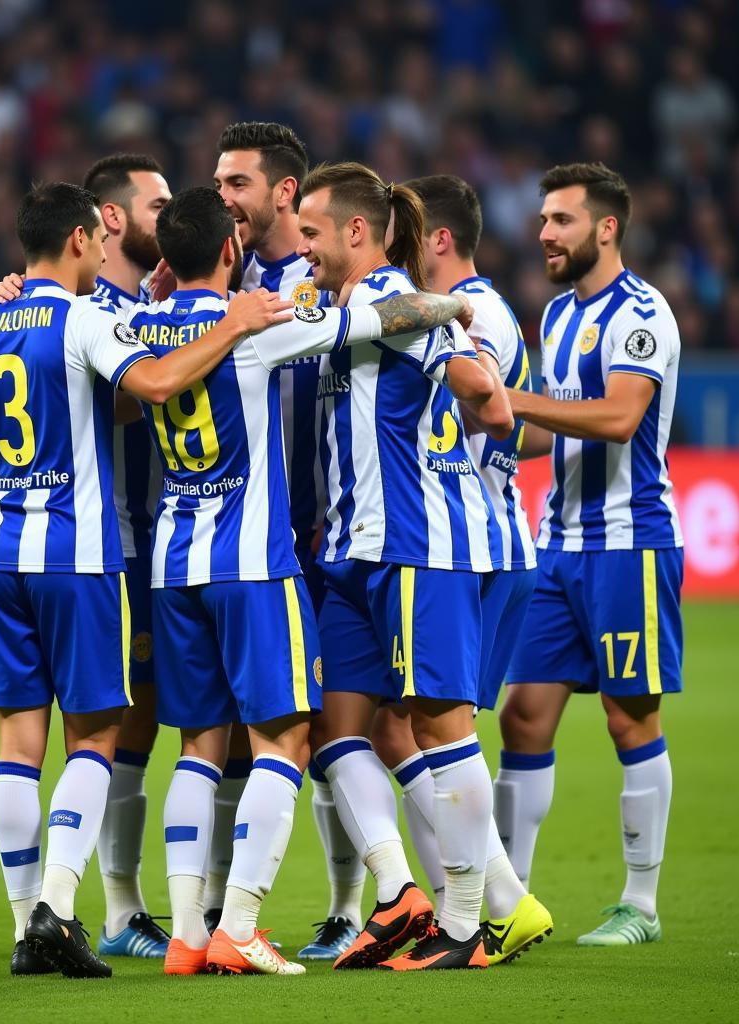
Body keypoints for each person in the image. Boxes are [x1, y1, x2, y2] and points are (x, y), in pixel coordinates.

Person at [0, 181, 293, 978]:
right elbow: (161, 386)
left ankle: (22, 926)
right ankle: (58, 912)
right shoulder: (85, 319)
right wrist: (233, 321)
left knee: (15, 746)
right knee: (94, 737)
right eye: (95, 242)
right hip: (77, 555)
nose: (105, 252)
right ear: (73, 238)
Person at [131, 186, 474, 978]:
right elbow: (382, 318)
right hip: (253, 565)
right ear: (229, 253)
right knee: (284, 743)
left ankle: (186, 934)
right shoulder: (257, 324)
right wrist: (449, 308)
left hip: (172, 566)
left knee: (196, 751)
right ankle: (241, 926)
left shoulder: (137, 329)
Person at [298, 162, 513, 971]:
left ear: (357, 230)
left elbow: (487, 401)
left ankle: (465, 926)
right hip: (352, 552)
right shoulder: (346, 306)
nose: (305, 249)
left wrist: (456, 322)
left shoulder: (396, 304)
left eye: (314, 234)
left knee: (438, 726)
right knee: (333, 727)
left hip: (416, 546)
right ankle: (401, 898)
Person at [370, 173, 553, 966]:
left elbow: (497, 414)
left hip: (462, 541)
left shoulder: (460, 319)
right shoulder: (498, 316)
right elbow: (529, 430)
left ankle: (482, 909)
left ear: (437, 241)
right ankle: (488, 899)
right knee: (414, 724)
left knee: (432, 727)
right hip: (489, 538)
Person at [501, 162, 683, 947]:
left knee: (627, 716)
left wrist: (503, 397)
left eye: (561, 221)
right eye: (544, 219)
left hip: (630, 543)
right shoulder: (559, 315)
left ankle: (640, 905)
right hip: (560, 545)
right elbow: (553, 427)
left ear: (605, 228)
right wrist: (488, 432)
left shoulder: (642, 314)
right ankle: (506, 902)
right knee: (523, 718)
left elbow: (615, 418)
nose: (544, 232)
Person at [212, 121, 360, 960]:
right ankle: (216, 915)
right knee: (243, 733)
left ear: (284, 193)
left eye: (239, 183)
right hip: (245, 538)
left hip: (323, 532)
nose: (224, 197)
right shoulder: (211, 283)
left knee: (340, 727)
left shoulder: (320, 275)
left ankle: (344, 904)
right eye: (219, 183)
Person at [82, 153, 174, 960]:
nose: (170, 215)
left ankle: (192, 906)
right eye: (158, 203)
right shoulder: (87, 313)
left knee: (161, 718)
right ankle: (117, 906)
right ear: (112, 218)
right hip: (115, 545)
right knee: (116, 721)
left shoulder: (152, 302)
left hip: (168, 543)